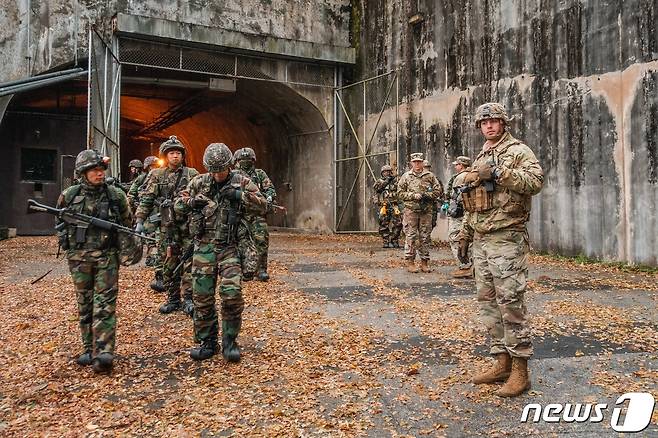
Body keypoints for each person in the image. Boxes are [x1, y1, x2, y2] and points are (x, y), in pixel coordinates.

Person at [457, 102, 543, 397]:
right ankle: (502, 362)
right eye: (484, 123)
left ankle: (521, 371)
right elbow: (476, 199)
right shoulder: (481, 153)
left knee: (511, 303)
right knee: (489, 303)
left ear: (504, 123)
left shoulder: (518, 151)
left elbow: (535, 182)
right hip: (482, 239)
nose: (489, 126)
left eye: (494, 121)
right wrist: (466, 233)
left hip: (507, 238)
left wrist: (497, 172)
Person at [175, 143, 266, 361]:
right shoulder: (199, 182)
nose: (216, 175)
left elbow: (263, 205)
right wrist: (191, 203)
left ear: (228, 166)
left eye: (220, 170)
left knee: (232, 295)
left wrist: (239, 196)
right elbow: (178, 205)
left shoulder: (242, 181)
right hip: (203, 247)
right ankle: (207, 341)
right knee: (202, 298)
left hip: (230, 247)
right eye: (212, 170)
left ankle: (230, 341)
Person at [56, 149, 132, 373]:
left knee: (105, 305)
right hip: (79, 259)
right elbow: (60, 223)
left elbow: (126, 222)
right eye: (94, 170)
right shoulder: (69, 195)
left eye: (101, 170)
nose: (100, 174)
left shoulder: (115, 195)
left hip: (107, 258)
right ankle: (88, 348)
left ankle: (104, 350)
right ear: (83, 173)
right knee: (85, 304)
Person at [134, 136, 199, 316]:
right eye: (171, 153)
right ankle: (172, 298)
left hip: (187, 226)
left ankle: (188, 299)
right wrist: (139, 220)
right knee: (169, 263)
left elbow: (201, 196)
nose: (175, 156)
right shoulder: (156, 174)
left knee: (189, 262)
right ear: (165, 155)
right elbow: (146, 198)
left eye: (178, 153)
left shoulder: (192, 174)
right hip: (167, 227)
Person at [233, 147, 276, 281]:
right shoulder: (233, 175)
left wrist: (268, 198)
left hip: (257, 214)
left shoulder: (259, 174)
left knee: (261, 240)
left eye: (249, 159)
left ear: (253, 160)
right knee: (241, 242)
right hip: (240, 214)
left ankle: (261, 269)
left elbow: (270, 189)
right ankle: (245, 269)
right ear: (237, 161)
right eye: (242, 159)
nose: (245, 162)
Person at [397, 153, 443, 273]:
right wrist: (412, 195)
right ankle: (410, 262)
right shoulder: (406, 176)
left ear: (422, 162)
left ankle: (424, 262)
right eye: (415, 162)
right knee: (411, 236)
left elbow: (438, 191)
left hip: (426, 211)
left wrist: (426, 195)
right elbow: (400, 193)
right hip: (411, 211)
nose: (417, 164)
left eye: (419, 162)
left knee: (425, 237)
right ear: (411, 163)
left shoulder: (430, 176)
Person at [128, 156, 164, 291]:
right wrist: (138, 206)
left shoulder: (163, 177)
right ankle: (152, 258)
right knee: (150, 235)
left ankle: (157, 260)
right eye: (152, 167)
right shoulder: (142, 179)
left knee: (159, 236)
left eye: (156, 166)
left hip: (161, 211)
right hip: (149, 211)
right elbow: (132, 194)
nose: (155, 169)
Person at [443, 156, 473, 278]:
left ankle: (464, 266)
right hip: (470, 212)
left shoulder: (460, 177)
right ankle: (472, 265)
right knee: (470, 239)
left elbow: (456, 196)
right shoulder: (472, 175)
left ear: (461, 165)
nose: (455, 166)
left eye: (457, 164)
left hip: (460, 213)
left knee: (455, 237)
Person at [373, 164, 402, 248]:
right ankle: (385, 241)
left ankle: (394, 240)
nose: (387, 173)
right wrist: (386, 181)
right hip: (384, 206)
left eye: (388, 171)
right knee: (383, 224)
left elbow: (401, 190)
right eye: (385, 172)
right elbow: (377, 189)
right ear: (382, 173)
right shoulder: (379, 181)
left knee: (398, 223)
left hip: (394, 205)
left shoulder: (396, 181)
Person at [423, 160, 440, 230]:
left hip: (432, 204)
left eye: (428, 167)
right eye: (425, 167)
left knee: (432, 222)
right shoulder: (417, 178)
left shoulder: (434, 178)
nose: (427, 169)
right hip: (422, 205)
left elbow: (439, 190)